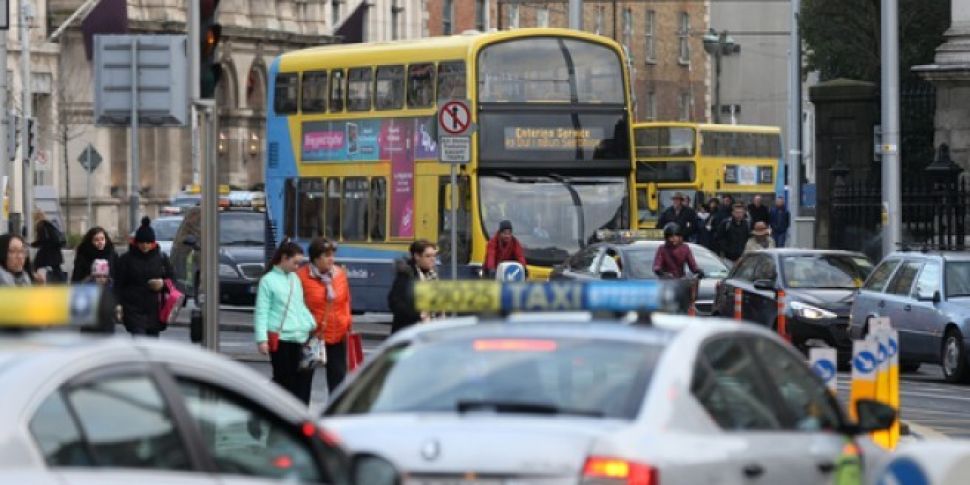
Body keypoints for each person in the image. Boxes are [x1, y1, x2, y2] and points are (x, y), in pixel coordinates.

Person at [254, 240, 317, 404]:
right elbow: (261, 311)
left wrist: (310, 323)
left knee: (302, 382)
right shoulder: (268, 281)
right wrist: (262, 340)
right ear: (284, 258)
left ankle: (299, 419)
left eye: (300, 263)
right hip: (281, 338)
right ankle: (271, 411)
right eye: (295, 262)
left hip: (300, 337)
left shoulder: (295, 279)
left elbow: (300, 305)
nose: (298, 267)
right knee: (284, 382)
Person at [297, 237, 352, 394]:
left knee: (338, 382)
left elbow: (346, 300)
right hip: (313, 335)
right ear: (315, 258)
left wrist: (347, 322)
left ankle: (335, 416)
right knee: (304, 381)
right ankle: (301, 415)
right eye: (327, 256)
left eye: (332, 255)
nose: (331, 259)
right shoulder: (301, 276)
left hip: (337, 334)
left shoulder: (340, 274)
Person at [114, 217, 173, 337]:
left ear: (153, 243)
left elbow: (172, 280)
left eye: (148, 243)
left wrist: (162, 283)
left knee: (151, 345)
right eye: (141, 243)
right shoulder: (126, 259)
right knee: (139, 341)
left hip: (155, 309)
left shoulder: (161, 258)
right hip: (133, 308)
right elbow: (118, 283)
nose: (145, 246)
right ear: (136, 243)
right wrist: (118, 304)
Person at [388, 240, 438, 334]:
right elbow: (395, 304)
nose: (432, 259)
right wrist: (418, 315)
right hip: (410, 332)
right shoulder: (406, 275)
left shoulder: (432, 275)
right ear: (417, 256)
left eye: (434, 256)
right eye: (428, 256)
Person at [32, 213, 66, 283]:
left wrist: (34, 244)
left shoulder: (41, 225)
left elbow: (43, 240)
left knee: (36, 265)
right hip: (53, 251)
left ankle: (34, 281)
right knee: (56, 269)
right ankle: (62, 282)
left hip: (49, 252)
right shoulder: (48, 224)